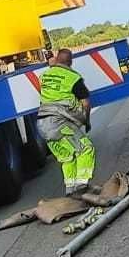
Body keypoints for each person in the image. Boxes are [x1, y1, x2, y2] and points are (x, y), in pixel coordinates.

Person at [35, 49, 95, 195]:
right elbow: (86, 104)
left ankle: (71, 189)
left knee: (67, 157)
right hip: (59, 124)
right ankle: (82, 185)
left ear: (56, 60)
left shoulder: (44, 76)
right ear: (70, 62)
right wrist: (86, 121)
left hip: (43, 124)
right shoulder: (73, 78)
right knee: (86, 148)